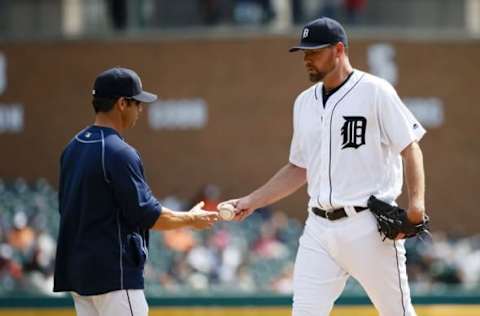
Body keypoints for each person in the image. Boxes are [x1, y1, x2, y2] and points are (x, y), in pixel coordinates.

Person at [222, 17, 427, 315]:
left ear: (339, 50)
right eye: (304, 53)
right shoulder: (304, 102)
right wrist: (252, 201)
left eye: (314, 51)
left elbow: (411, 148)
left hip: (368, 225)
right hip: (318, 228)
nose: (307, 59)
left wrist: (416, 205)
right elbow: (298, 168)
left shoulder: (375, 91)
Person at [53, 67, 219, 316]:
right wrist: (191, 219)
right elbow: (148, 215)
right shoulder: (119, 152)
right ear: (122, 103)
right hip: (114, 278)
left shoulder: (72, 148)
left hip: (80, 278)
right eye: (137, 103)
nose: (140, 110)